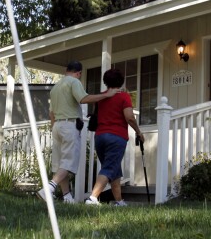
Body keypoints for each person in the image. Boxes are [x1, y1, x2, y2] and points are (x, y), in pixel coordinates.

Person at [40, 61, 117, 203]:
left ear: (66, 70)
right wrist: (106, 95)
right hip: (69, 126)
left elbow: (51, 113)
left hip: (56, 126)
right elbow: (84, 98)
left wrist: (54, 127)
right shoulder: (74, 82)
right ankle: (48, 188)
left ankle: (67, 197)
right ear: (79, 73)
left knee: (60, 164)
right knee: (68, 163)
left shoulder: (56, 87)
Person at [85, 68, 144, 207]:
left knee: (113, 169)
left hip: (100, 137)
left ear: (105, 82)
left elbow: (96, 115)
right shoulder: (124, 96)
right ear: (121, 81)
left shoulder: (101, 97)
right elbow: (129, 117)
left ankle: (119, 201)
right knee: (109, 167)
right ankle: (92, 198)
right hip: (116, 137)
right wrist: (138, 132)